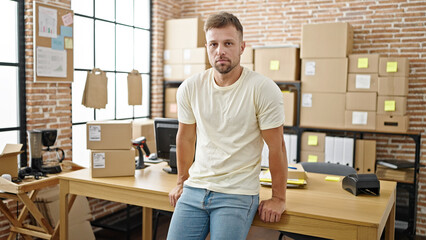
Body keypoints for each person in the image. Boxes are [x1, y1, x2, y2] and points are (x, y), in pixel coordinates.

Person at [167, 11, 288, 240]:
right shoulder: (190, 87)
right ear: (207, 47)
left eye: (228, 43)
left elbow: (277, 147)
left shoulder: (263, 89)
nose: (220, 51)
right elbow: (185, 138)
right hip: (195, 188)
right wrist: (182, 181)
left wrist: (278, 198)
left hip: (237, 192)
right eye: (213, 44)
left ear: (242, 47)